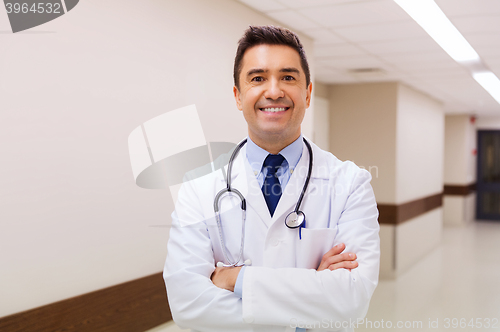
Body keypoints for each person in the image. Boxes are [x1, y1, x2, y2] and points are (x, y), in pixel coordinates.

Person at [163, 25, 380, 332]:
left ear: (307, 93)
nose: (274, 90)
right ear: (239, 97)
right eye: (258, 78)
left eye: (288, 77)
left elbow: (351, 301)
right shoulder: (198, 187)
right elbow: (187, 305)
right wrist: (312, 298)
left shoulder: (351, 183)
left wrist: (233, 279)